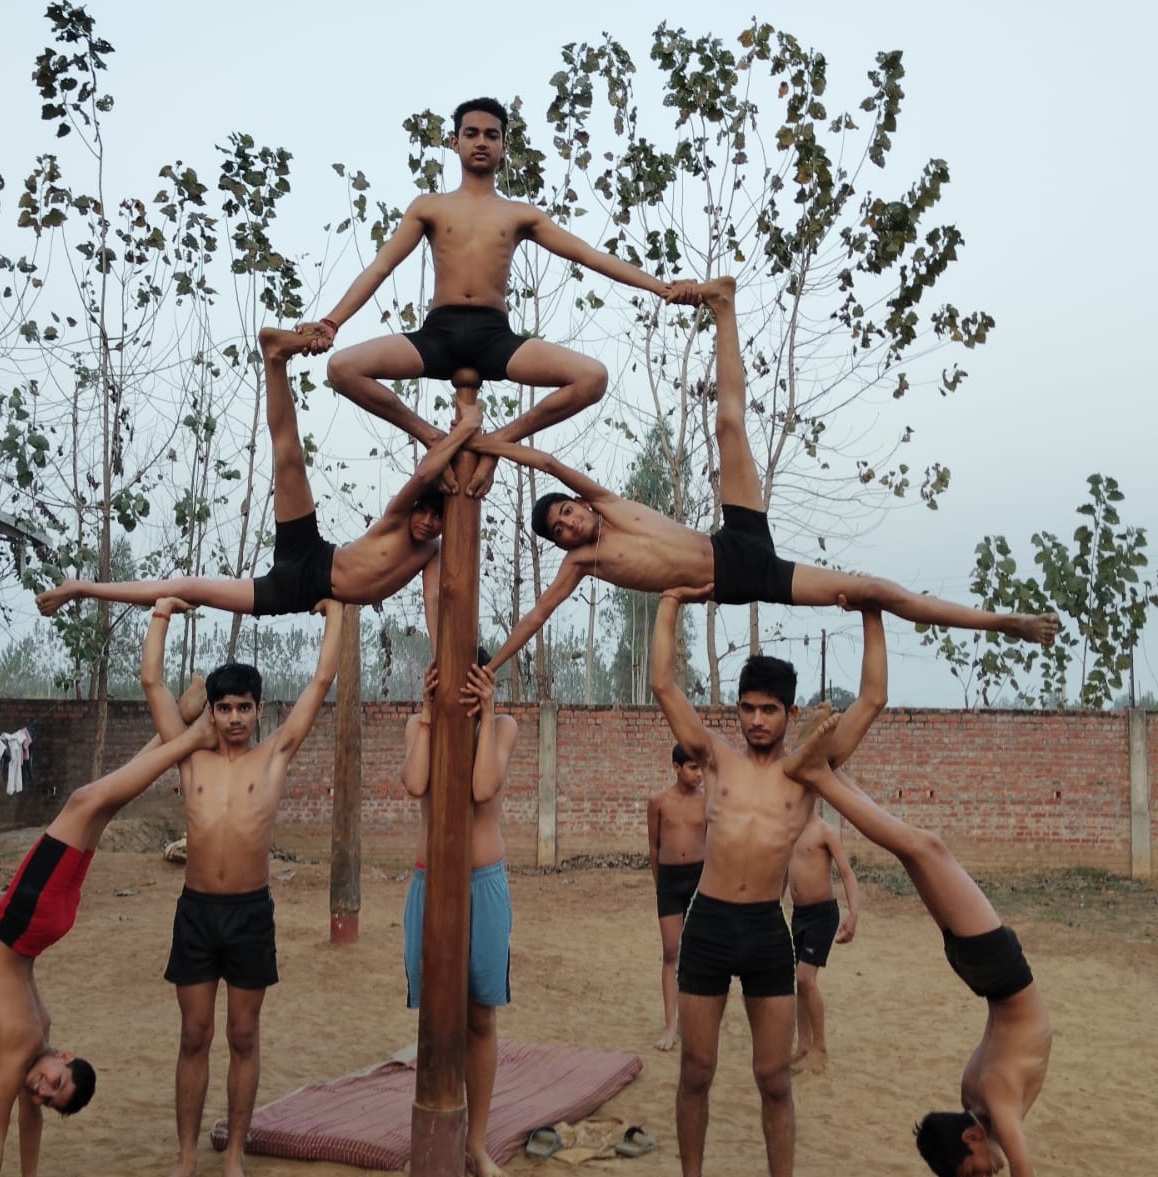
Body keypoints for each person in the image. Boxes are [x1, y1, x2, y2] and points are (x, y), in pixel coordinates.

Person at [474, 276, 1059, 676]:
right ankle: (1002, 624)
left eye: (565, 512)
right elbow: (537, 616)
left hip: (737, 539)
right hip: (750, 580)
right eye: (559, 531)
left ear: (579, 503)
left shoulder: (606, 503)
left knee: (730, 423)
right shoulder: (582, 565)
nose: (569, 525)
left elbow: (549, 463)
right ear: (561, 544)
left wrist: (491, 445)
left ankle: (723, 305)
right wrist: (494, 667)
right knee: (875, 591)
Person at [648, 587, 888, 1177]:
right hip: (708, 925)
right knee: (696, 1070)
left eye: (770, 710)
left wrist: (871, 610)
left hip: (764, 931)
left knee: (774, 1078)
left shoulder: (806, 772)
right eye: (748, 708)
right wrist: (671, 599)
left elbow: (872, 700)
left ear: (789, 713)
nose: (757, 720)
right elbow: (663, 682)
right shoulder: (714, 759)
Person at [297, 96, 699, 498]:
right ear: (454, 141)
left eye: (491, 135)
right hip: (438, 335)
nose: (481, 142)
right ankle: (433, 438)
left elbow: (588, 255)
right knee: (342, 368)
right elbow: (381, 266)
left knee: (592, 378)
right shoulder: (429, 207)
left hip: (493, 337)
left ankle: (497, 444)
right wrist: (332, 322)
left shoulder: (519, 214)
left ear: (504, 146)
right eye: (471, 133)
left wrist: (661, 287)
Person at [783, 714, 1052, 1177]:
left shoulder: (994, 1106)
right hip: (980, 973)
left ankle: (824, 776)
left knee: (925, 848)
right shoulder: (977, 1101)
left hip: (1000, 972)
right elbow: (984, 1161)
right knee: (917, 852)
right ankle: (831, 775)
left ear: (972, 1134)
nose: (986, 1172)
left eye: (973, 1166)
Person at [0, 678, 214, 1177]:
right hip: (28, 926)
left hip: (36, 928)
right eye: (54, 1085)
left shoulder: (27, 1054)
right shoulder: (27, 1042)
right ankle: (187, 731)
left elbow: (14, 1125)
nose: (40, 1090)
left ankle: (180, 725)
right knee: (90, 802)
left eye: (46, 1095)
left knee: (96, 802)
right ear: (65, 1056)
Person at [35, 327, 480, 622]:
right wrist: (465, 430)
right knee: (289, 454)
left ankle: (82, 589)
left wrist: (438, 659)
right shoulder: (398, 518)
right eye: (424, 512)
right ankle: (275, 358)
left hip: (291, 593)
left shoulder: (432, 552)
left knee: (192, 589)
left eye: (436, 519)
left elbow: (435, 600)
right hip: (310, 554)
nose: (427, 522)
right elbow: (426, 470)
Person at [142, 595, 343, 1177]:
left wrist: (336, 612)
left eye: (244, 707)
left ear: (259, 710)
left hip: (251, 913)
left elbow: (321, 680)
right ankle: (185, 1161)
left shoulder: (272, 757)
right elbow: (152, 681)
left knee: (244, 1035)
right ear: (211, 711)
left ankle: (234, 1161)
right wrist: (162, 613)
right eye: (224, 707)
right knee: (193, 1034)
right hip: (197, 912)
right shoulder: (189, 759)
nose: (234, 718)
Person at [401, 657, 518, 1177]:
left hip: (483, 884)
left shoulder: (503, 727)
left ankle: (476, 1141)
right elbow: (415, 783)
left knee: (480, 1015)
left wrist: (487, 713)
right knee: (435, 1010)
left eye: (473, 684)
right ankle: (434, 1132)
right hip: (430, 883)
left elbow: (482, 788)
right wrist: (428, 715)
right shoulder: (418, 725)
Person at [786, 811, 859, 1073]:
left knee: (806, 978)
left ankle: (820, 1048)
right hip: (799, 915)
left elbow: (847, 873)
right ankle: (803, 1046)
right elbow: (783, 873)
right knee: (799, 981)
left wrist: (853, 914)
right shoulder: (789, 829)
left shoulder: (825, 831)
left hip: (822, 915)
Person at [646, 743, 706, 1052]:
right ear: (676, 768)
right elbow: (654, 846)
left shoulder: (707, 802)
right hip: (669, 881)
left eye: (701, 768)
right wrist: (661, 885)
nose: (699, 774)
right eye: (693, 768)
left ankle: (692, 1021)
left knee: (696, 953)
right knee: (671, 951)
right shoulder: (658, 801)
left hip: (699, 879)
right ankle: (671, 1025)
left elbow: (714, 843)